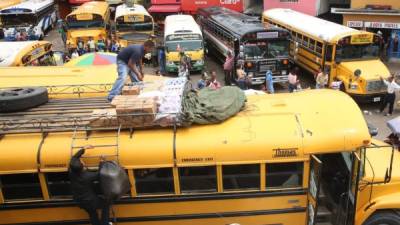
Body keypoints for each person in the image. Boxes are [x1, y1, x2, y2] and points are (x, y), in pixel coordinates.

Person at [69, 146, 110, 225]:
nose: (81, 160)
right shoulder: (87, 176)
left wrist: (84, 148)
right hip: (90, 201)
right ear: (82, 166)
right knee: (106, 203)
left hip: (80, 201)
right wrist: (102, 161)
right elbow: (100, 174)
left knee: (92, 213)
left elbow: (74, 157)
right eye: (81, 161)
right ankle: (105, 223)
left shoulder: (72, 172)